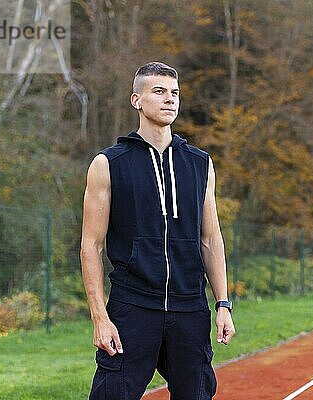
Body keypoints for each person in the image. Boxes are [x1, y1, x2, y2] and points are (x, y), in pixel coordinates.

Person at [80, 61, 235, 400]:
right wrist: (99, 316)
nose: (170, 100)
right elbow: (91, 245)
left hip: (189, 307)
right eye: (159, 91)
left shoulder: (200, 163)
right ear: (137, 100)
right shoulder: (109, 164)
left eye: (175, 93)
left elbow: (210, 239)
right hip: (132, 307)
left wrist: (223, 303)